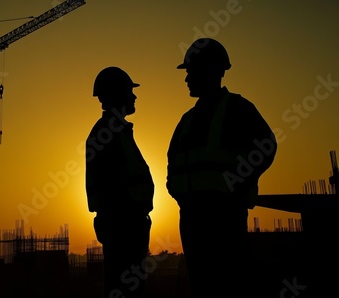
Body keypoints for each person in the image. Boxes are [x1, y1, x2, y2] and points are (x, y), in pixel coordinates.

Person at [166, 38, 277, 297]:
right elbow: (173, 162)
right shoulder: (187, 120)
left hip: (224, 219)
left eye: (191, 71)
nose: (186, 79)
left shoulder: (238, 109)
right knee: (203, 286)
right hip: (192, 218)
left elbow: (266, 147)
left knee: (228, 284)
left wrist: (238, 184)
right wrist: (177, 191)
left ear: (211, 70)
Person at [85, 66, 154, 298]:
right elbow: (112, 186)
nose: (134, 96)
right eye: (128, 91)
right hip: (123, 226)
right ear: (115, 95)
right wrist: (129, 218)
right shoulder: (107, 134)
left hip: (127, 224)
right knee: (124, 289)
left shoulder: (116, 132)